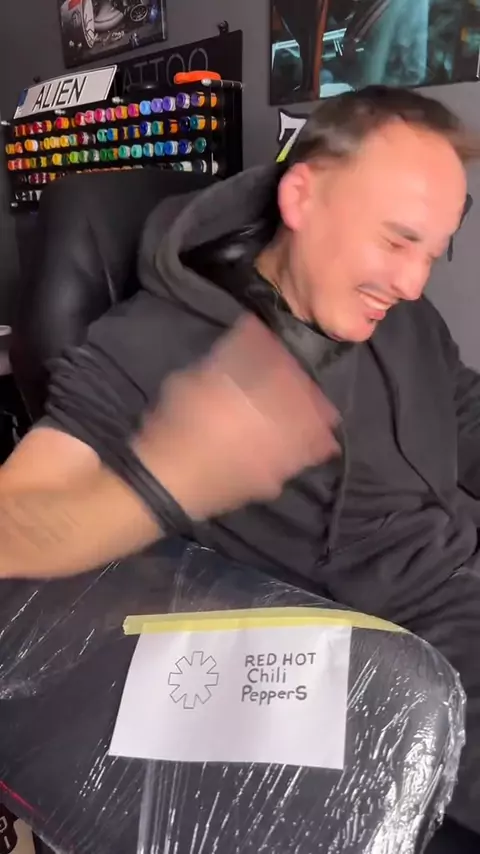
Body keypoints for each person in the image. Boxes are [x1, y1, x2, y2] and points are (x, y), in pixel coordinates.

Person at [1, 85, 480, 848]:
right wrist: (168, 477)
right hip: (397, 669)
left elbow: (465, 415)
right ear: (303, 196)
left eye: (432, 249)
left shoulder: (402, 319)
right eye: (396, 241)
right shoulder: (153, 348)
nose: (415, 282)